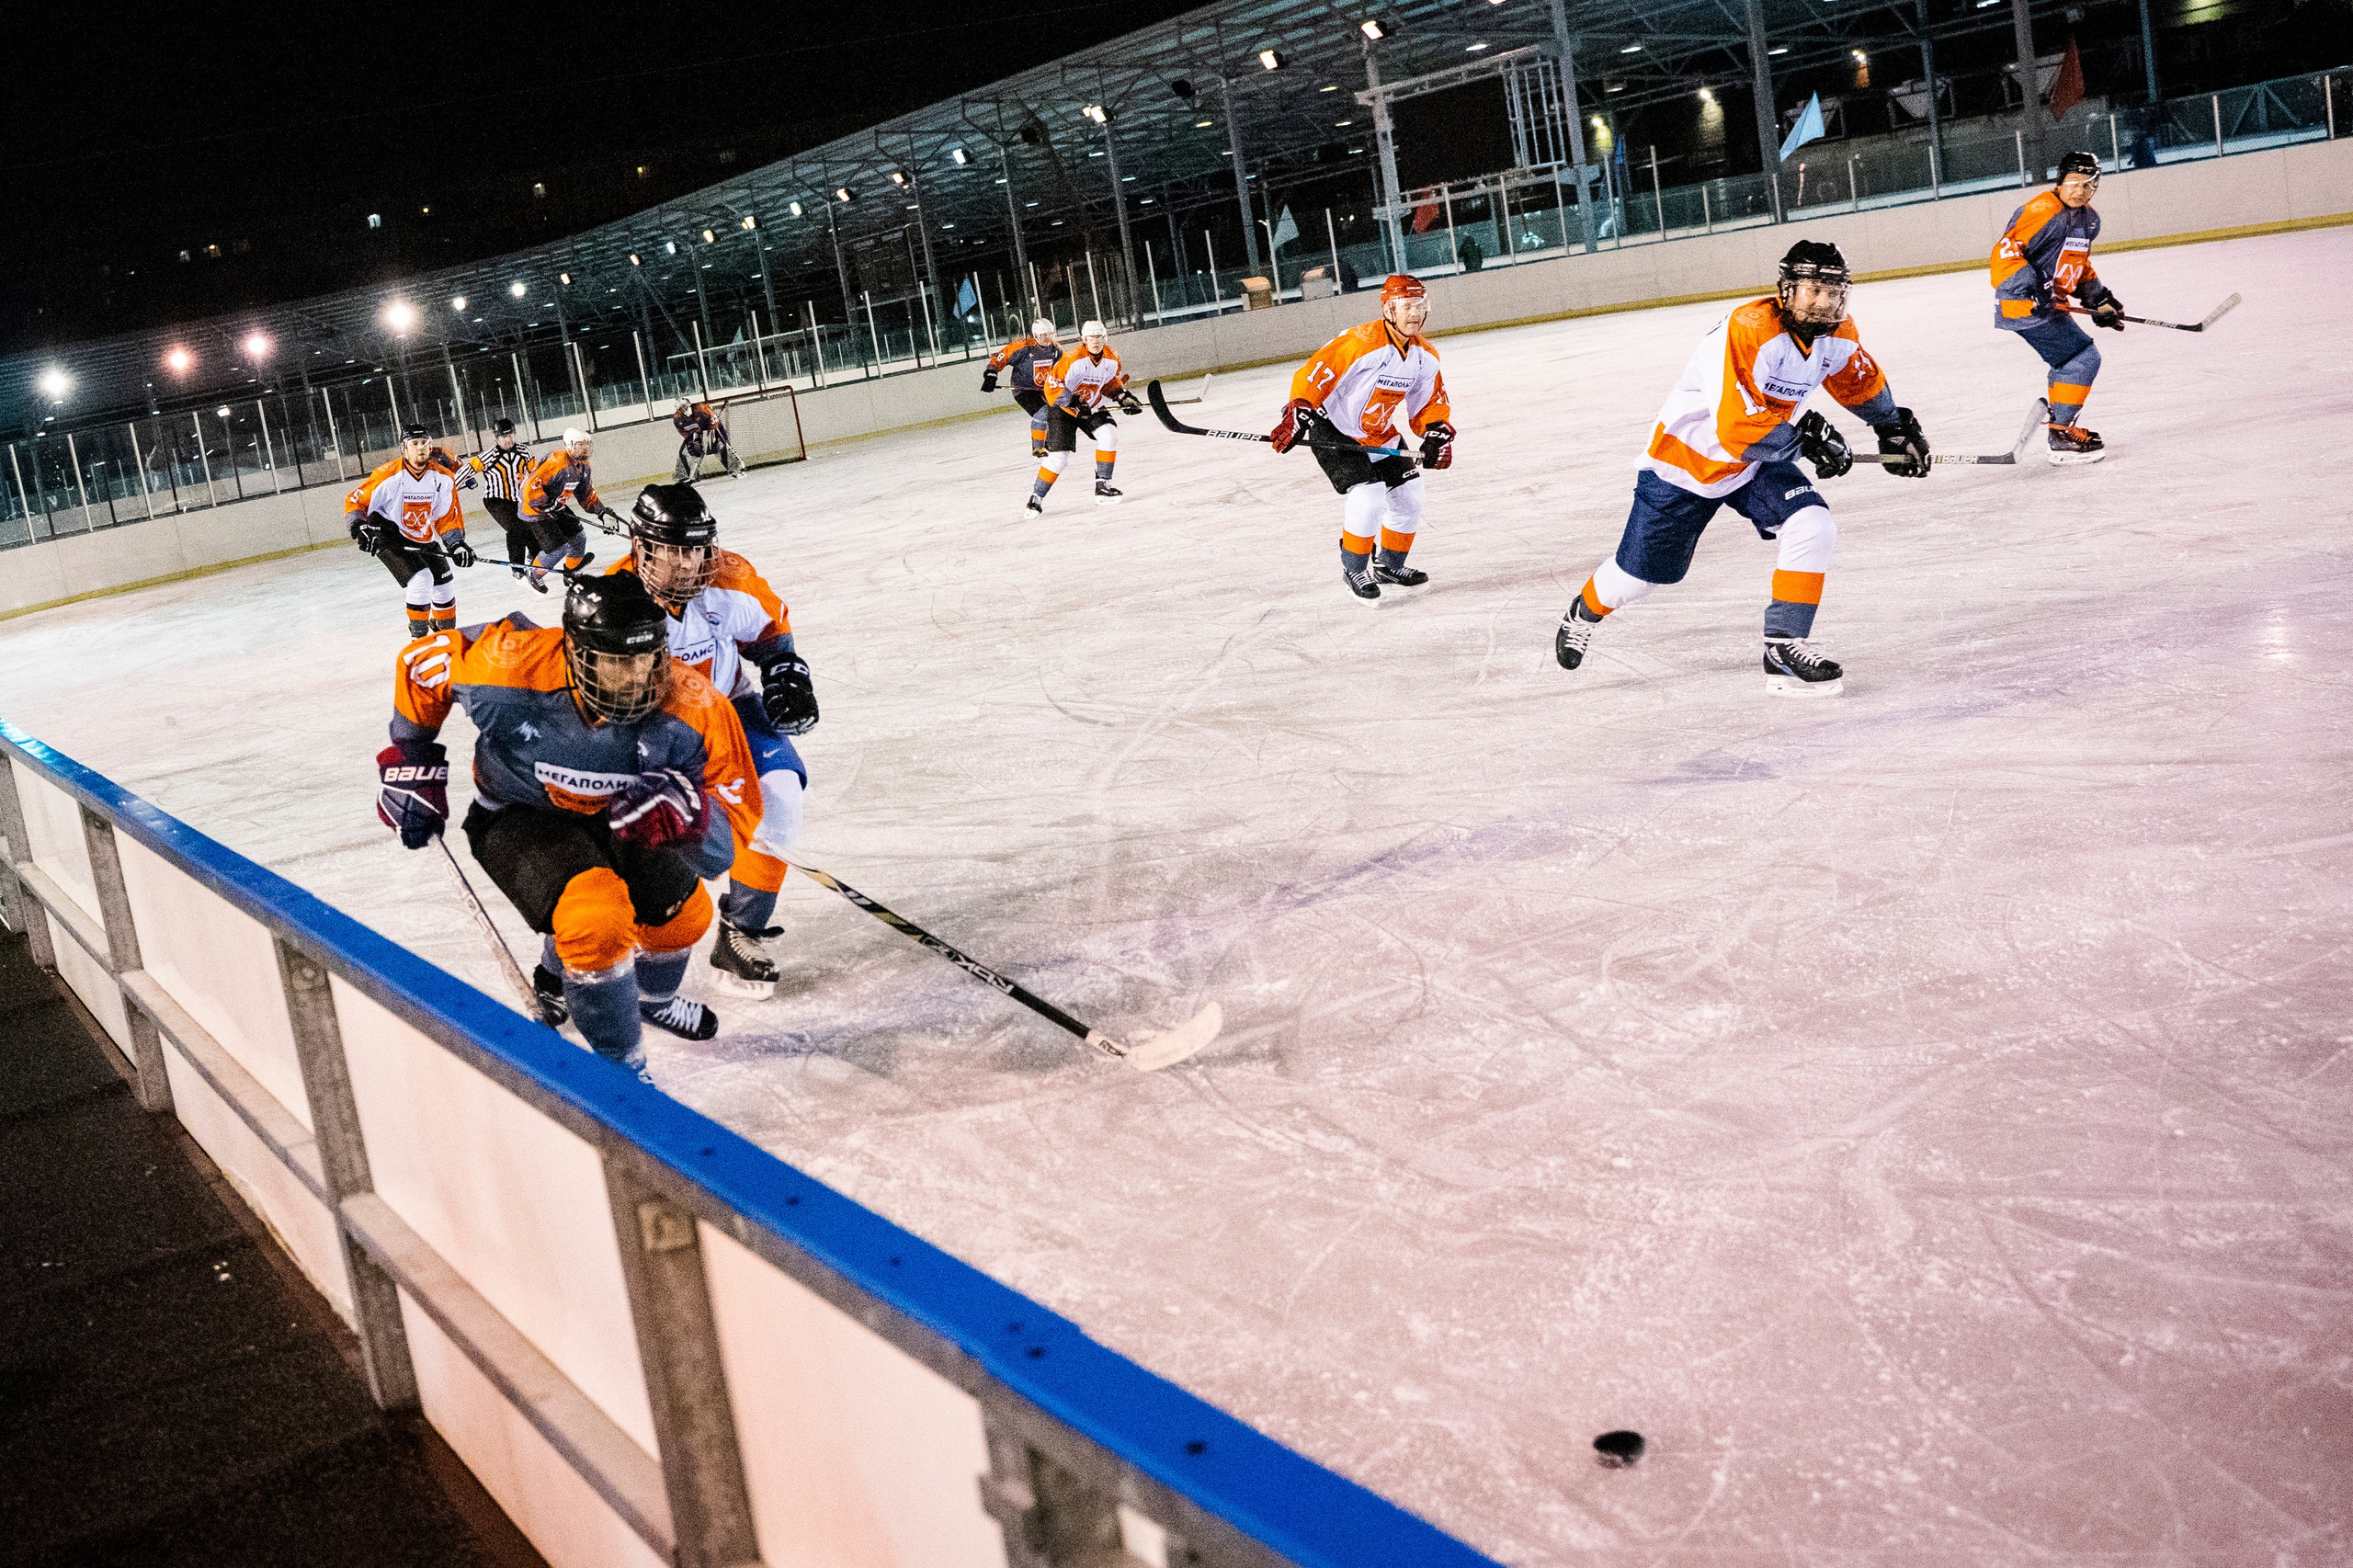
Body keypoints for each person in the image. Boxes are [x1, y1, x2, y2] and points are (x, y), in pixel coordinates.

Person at [375, 572, 761, 1076]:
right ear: (577, 654)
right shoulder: (507, 665)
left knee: (685, 919)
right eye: (619, 662)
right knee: (595, 920)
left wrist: (694, 818)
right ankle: (620, 1073)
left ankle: (650, 998)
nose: (639, 676)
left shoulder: (696, 707)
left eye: (648, 658)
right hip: (521, 814)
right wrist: (411, 753)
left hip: (630, 815)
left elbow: (727, 843)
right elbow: (421, 663)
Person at [1553, 240, 1930, 695]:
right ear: (1786, 290)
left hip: (1757, 463)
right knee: (1637, 580)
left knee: (1813, 524)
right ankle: (1584, 612)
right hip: (1688, 464)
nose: (1825, 303)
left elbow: (1858, 379)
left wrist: (1893, 428)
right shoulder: (1749, 329)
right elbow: (1735, 426)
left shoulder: (1839, 333)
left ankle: (1783, 644)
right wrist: (1806, 438)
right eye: (1814, 291)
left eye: (1834, 293)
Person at [608, 483, 817, 996]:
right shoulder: (618, 601)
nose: (690, 563)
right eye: (675, 549)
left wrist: (787, 673)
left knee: (781, 795)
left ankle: (740, 932)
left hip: (729, 707)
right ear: (643, 547)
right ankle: (596, 951)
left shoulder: (729, 578)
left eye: (698, 547)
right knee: (634, 841)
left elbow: (770, 634)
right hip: (654, 732)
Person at [1271, 274, 1455, 605]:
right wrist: (1300, 408)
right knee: (1369, 496)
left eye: (1419, 305)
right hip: (1336, 429)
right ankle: (1354, 568)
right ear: (1388, 309)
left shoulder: (1424, 355)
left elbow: (1429, 401)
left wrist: (1435, 431)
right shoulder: (1362, 342)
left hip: (1380, 434)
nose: (1414, 313)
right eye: (1405, 306)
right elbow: (1315, 372)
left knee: (1410, 495)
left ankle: (1389, 565)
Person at [1991, 149, 2121, 464]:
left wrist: (2098, 297)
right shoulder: (2040, 210)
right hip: (2025, 306)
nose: (2080, 190)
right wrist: (2029, 288)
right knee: (2080, 359)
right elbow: (2004, 254)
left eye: (2088, 185)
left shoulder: (2089, 220)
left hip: (2049, 305)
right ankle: (2060, 433)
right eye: (2074, 182)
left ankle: (2061, 425)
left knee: (2075, 360)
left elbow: (2077, 265)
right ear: (2060, 180)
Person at [345, 424, 475, 637]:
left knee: (443, 585)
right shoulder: (388, 475)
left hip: (421, 536)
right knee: (421, 579)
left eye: (424, 443)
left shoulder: (443, 477)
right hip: (387, 535)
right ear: (404, 449)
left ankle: (447, 638)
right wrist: (360, 527)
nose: (420, 447)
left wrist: (457, 544)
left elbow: (446, 517)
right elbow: (354, 501)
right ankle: (419, 639)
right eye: (414, 443)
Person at [1027, 320, 1141, 514]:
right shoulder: (1072, 359)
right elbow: (1052, 386)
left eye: (1098, 336)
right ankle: (1036, 498)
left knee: (1109, 435)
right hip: (1063, 410)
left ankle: (1103, 487)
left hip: (1092, 406)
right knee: (1059, 458)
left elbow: (1110, 382)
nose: (1095, 341)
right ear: (1083, 339)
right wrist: (1072, 402)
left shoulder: (1112, 359)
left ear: (1105, 338)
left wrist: (1122, 396)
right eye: (1090, 337)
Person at [516, 427, 623, 590]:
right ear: (569, 445)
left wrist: (602, 512)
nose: (585, 449)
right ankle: (534, 573)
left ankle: (571, 572)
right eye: (580, 445)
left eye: (587, 445)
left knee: (579, 538)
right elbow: (529, 489)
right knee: (558, 548)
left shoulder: (584, 466)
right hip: (534, 510)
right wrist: (547, 503)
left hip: (555, 507)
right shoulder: (557, 461)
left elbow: (586, 495)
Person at [453, 419, 538, 575]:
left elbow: (536, 474)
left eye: (511, 435)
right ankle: (517, 568)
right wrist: (449, 491)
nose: (508, 439)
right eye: (504, 436)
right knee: (514, 528)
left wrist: (527, 479)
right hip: (495, 500)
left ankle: (536, 555)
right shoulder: (488, 456)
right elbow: (466, 471)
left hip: (518, 499)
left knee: (531, 526)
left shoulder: (524, 451)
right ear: (496, 438)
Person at [983, 318, 1066, 458]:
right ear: (1036, 335)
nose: (1048, 338)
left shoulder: (1056, 349)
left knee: (1057, 413)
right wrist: (992, 374)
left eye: (1050, 334)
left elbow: (1065, 368)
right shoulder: (1023, 347)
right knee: (1043, 412)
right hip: (1024, 390)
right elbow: (1000, 358)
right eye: (1044, 335)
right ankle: (1038, 447)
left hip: (1046, 389)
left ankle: (1048, 442)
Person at [672, 398, 744, 482]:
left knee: (719, 446)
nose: (684, 408)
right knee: (687, 451)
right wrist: (692, 442)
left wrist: (709, 439)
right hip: (695, 434)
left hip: (711, 429)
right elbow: (683, 432)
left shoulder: (701, 408)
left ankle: (737, 470)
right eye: (681, 407)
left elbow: (714, 424)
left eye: (684, 406)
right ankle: (683, 477)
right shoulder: (677, 418)